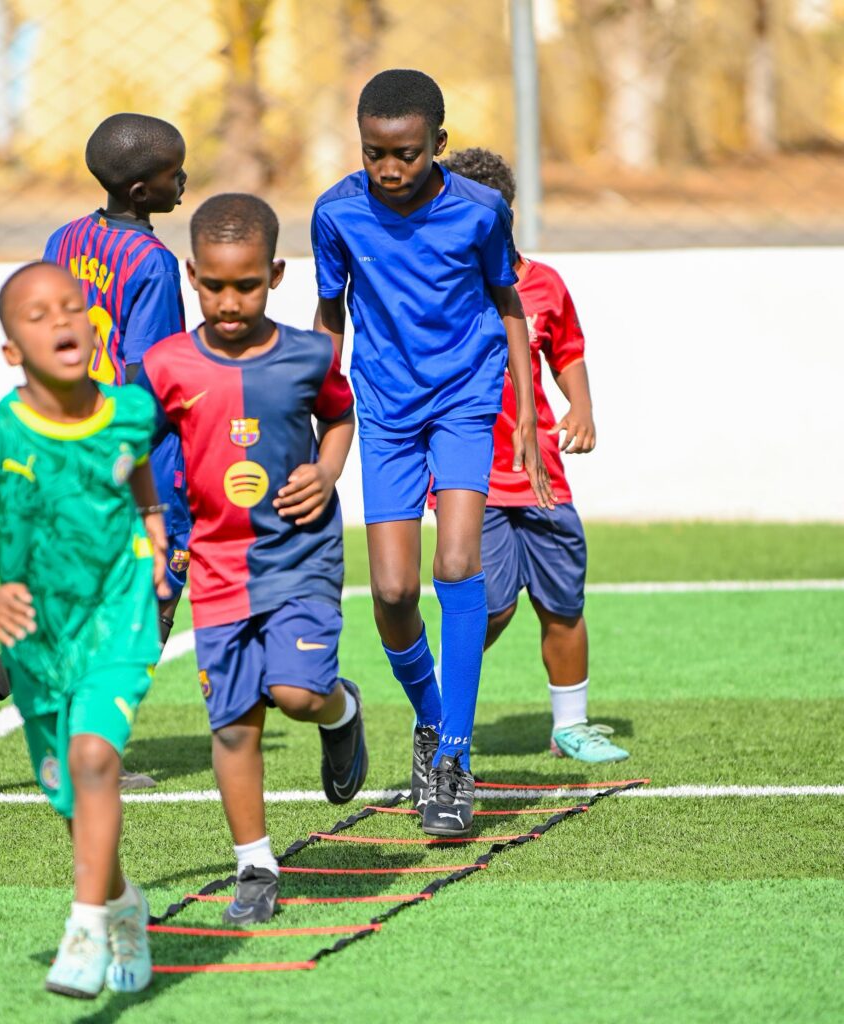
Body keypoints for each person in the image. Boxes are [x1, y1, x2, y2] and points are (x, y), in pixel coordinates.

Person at [311, 69, 554, 837]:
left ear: (438, 144)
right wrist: (313, 408)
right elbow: (329, 314)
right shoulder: (337, 213)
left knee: (456, 564)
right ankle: (430, 718)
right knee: (391, 592)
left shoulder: (480, 211)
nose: (390, 169)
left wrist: (523, 412)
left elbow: (508, 302)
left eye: (407, 154)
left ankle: (454, 758)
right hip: (384, 408)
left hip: (465, 401)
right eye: (375, 153)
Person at [0, 113, 190, 790]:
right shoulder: (155, 264)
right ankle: (90, 745)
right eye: (174, 174)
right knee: (146, 602)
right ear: (142, 191)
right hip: (128, 458)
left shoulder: (66, 237)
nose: (184, 181)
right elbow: (150, 378)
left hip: (62, 443)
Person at [0, 262, 167, 996]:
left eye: (72, 306)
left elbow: (138, 470)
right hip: (37, 642)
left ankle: (85, 926)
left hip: (119, 617)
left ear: (93, 328)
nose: (61, 319)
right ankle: (123, 905)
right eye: (37, 315)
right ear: (12, 351)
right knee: (72, 797)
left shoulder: (131, 409)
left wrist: (155, 526)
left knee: (95, 757)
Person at [137, 193, 366, 923]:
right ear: (191, 276)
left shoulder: (309, 355)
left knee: (297, 695)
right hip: (216, 566)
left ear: (275, 275)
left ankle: (341, 710)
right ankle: (256, 867)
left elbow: (340, 415)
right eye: (213, 285)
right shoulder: (166, 364)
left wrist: (326, 470)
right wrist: (147, 517)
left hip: (300, 554)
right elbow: (129, 445)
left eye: (245, 285)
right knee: (234, 722)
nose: (229, 302)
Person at [441, 147, 628, 762]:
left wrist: (582, 406)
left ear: (506, 215)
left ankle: (570, 726)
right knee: (489, 607)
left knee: (562, 604)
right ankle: (439, 713)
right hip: (471, 478)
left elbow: (567, 351)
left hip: (542, 477)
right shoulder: (439, 287)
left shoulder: (544, 284)